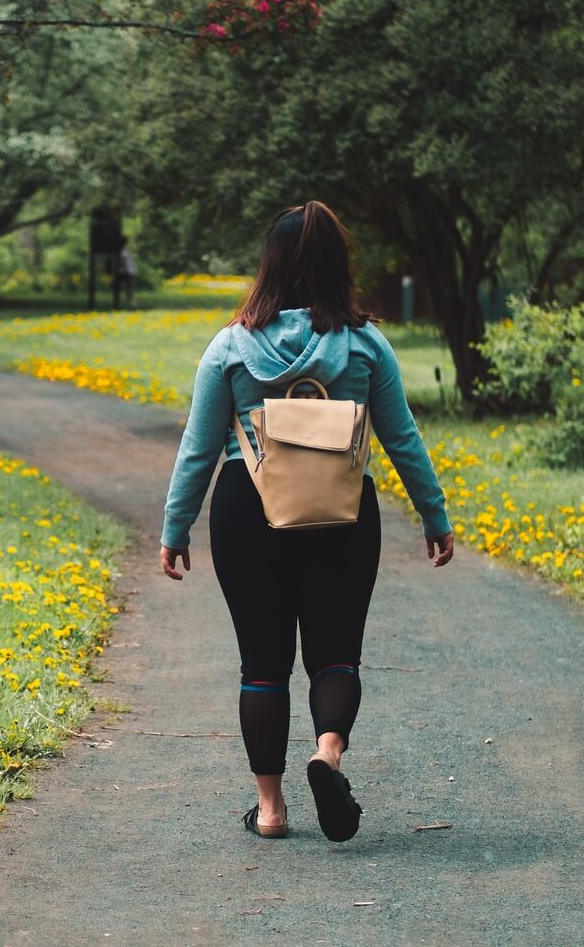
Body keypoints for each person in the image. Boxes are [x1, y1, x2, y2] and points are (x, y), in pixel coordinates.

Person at [158, 200, 454, 843]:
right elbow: (402, 438)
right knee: (335, 655)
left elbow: (199, 446)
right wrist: (434, 515)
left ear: (269, 266)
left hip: (247, 509)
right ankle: (327, 755)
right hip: (342, 511)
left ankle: (269, 809)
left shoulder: (231, 345)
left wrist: (175, 528)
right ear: (335, 266)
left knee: (262, 666)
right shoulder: (365, 344)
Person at [116, 236, 137, 309]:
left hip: (128, 271)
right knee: (120, 287)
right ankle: (120, 302)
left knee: (130, 287)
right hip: (122, 271)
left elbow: (130, 262)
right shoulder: (119, 251)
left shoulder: (126, 251)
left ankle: (130, 301)